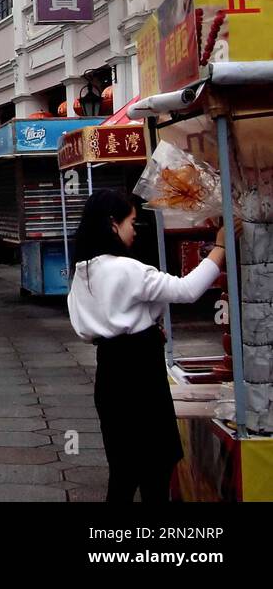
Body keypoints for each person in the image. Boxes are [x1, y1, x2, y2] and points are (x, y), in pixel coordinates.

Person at [67, 188, 229, 503]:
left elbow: (110, 316)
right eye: (131, 222)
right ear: (113, 224)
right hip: (141, 372)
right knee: (156, 468)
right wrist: (219, 247)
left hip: (110, 371)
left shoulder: (83, 272)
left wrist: (146, 326)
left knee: (123, 471)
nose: (134, 231)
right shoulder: (126, 269)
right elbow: (186, 290)